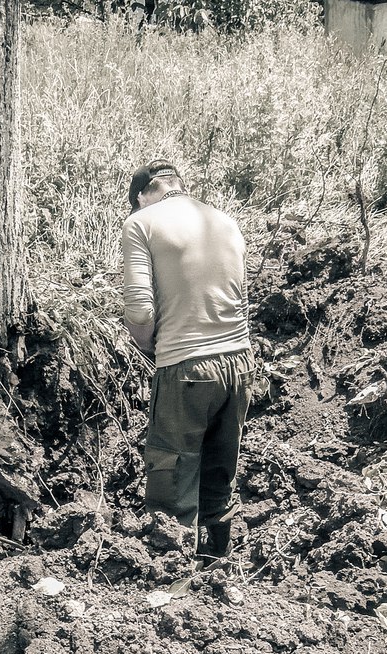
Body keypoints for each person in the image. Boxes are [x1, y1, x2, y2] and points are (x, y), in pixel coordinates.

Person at [120, 160, 254, 561]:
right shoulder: (225, 221)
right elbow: (241, 297)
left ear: (144, 194)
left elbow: (140, 310)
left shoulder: (141, 223)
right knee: (219, 466)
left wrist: (149, 346)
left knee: (172, 473)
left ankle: (171, 578)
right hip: (239, 364)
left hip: (186, 365)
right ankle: (217, 563)